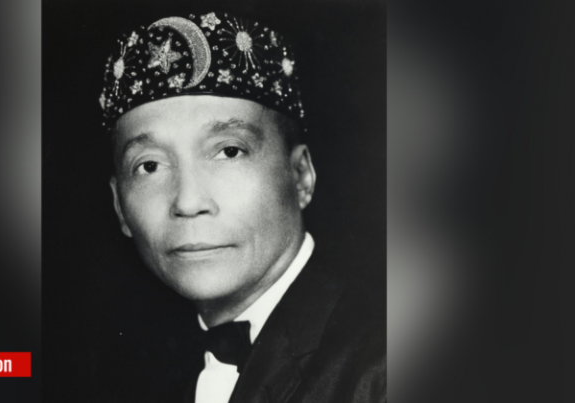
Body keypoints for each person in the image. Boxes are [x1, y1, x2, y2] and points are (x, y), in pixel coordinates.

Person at [99, 11, 385, 403]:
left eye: (229, 152)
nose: (188, 202)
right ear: (119, 206)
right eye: (149, 166)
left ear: (300, 175)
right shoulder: (139, 372)